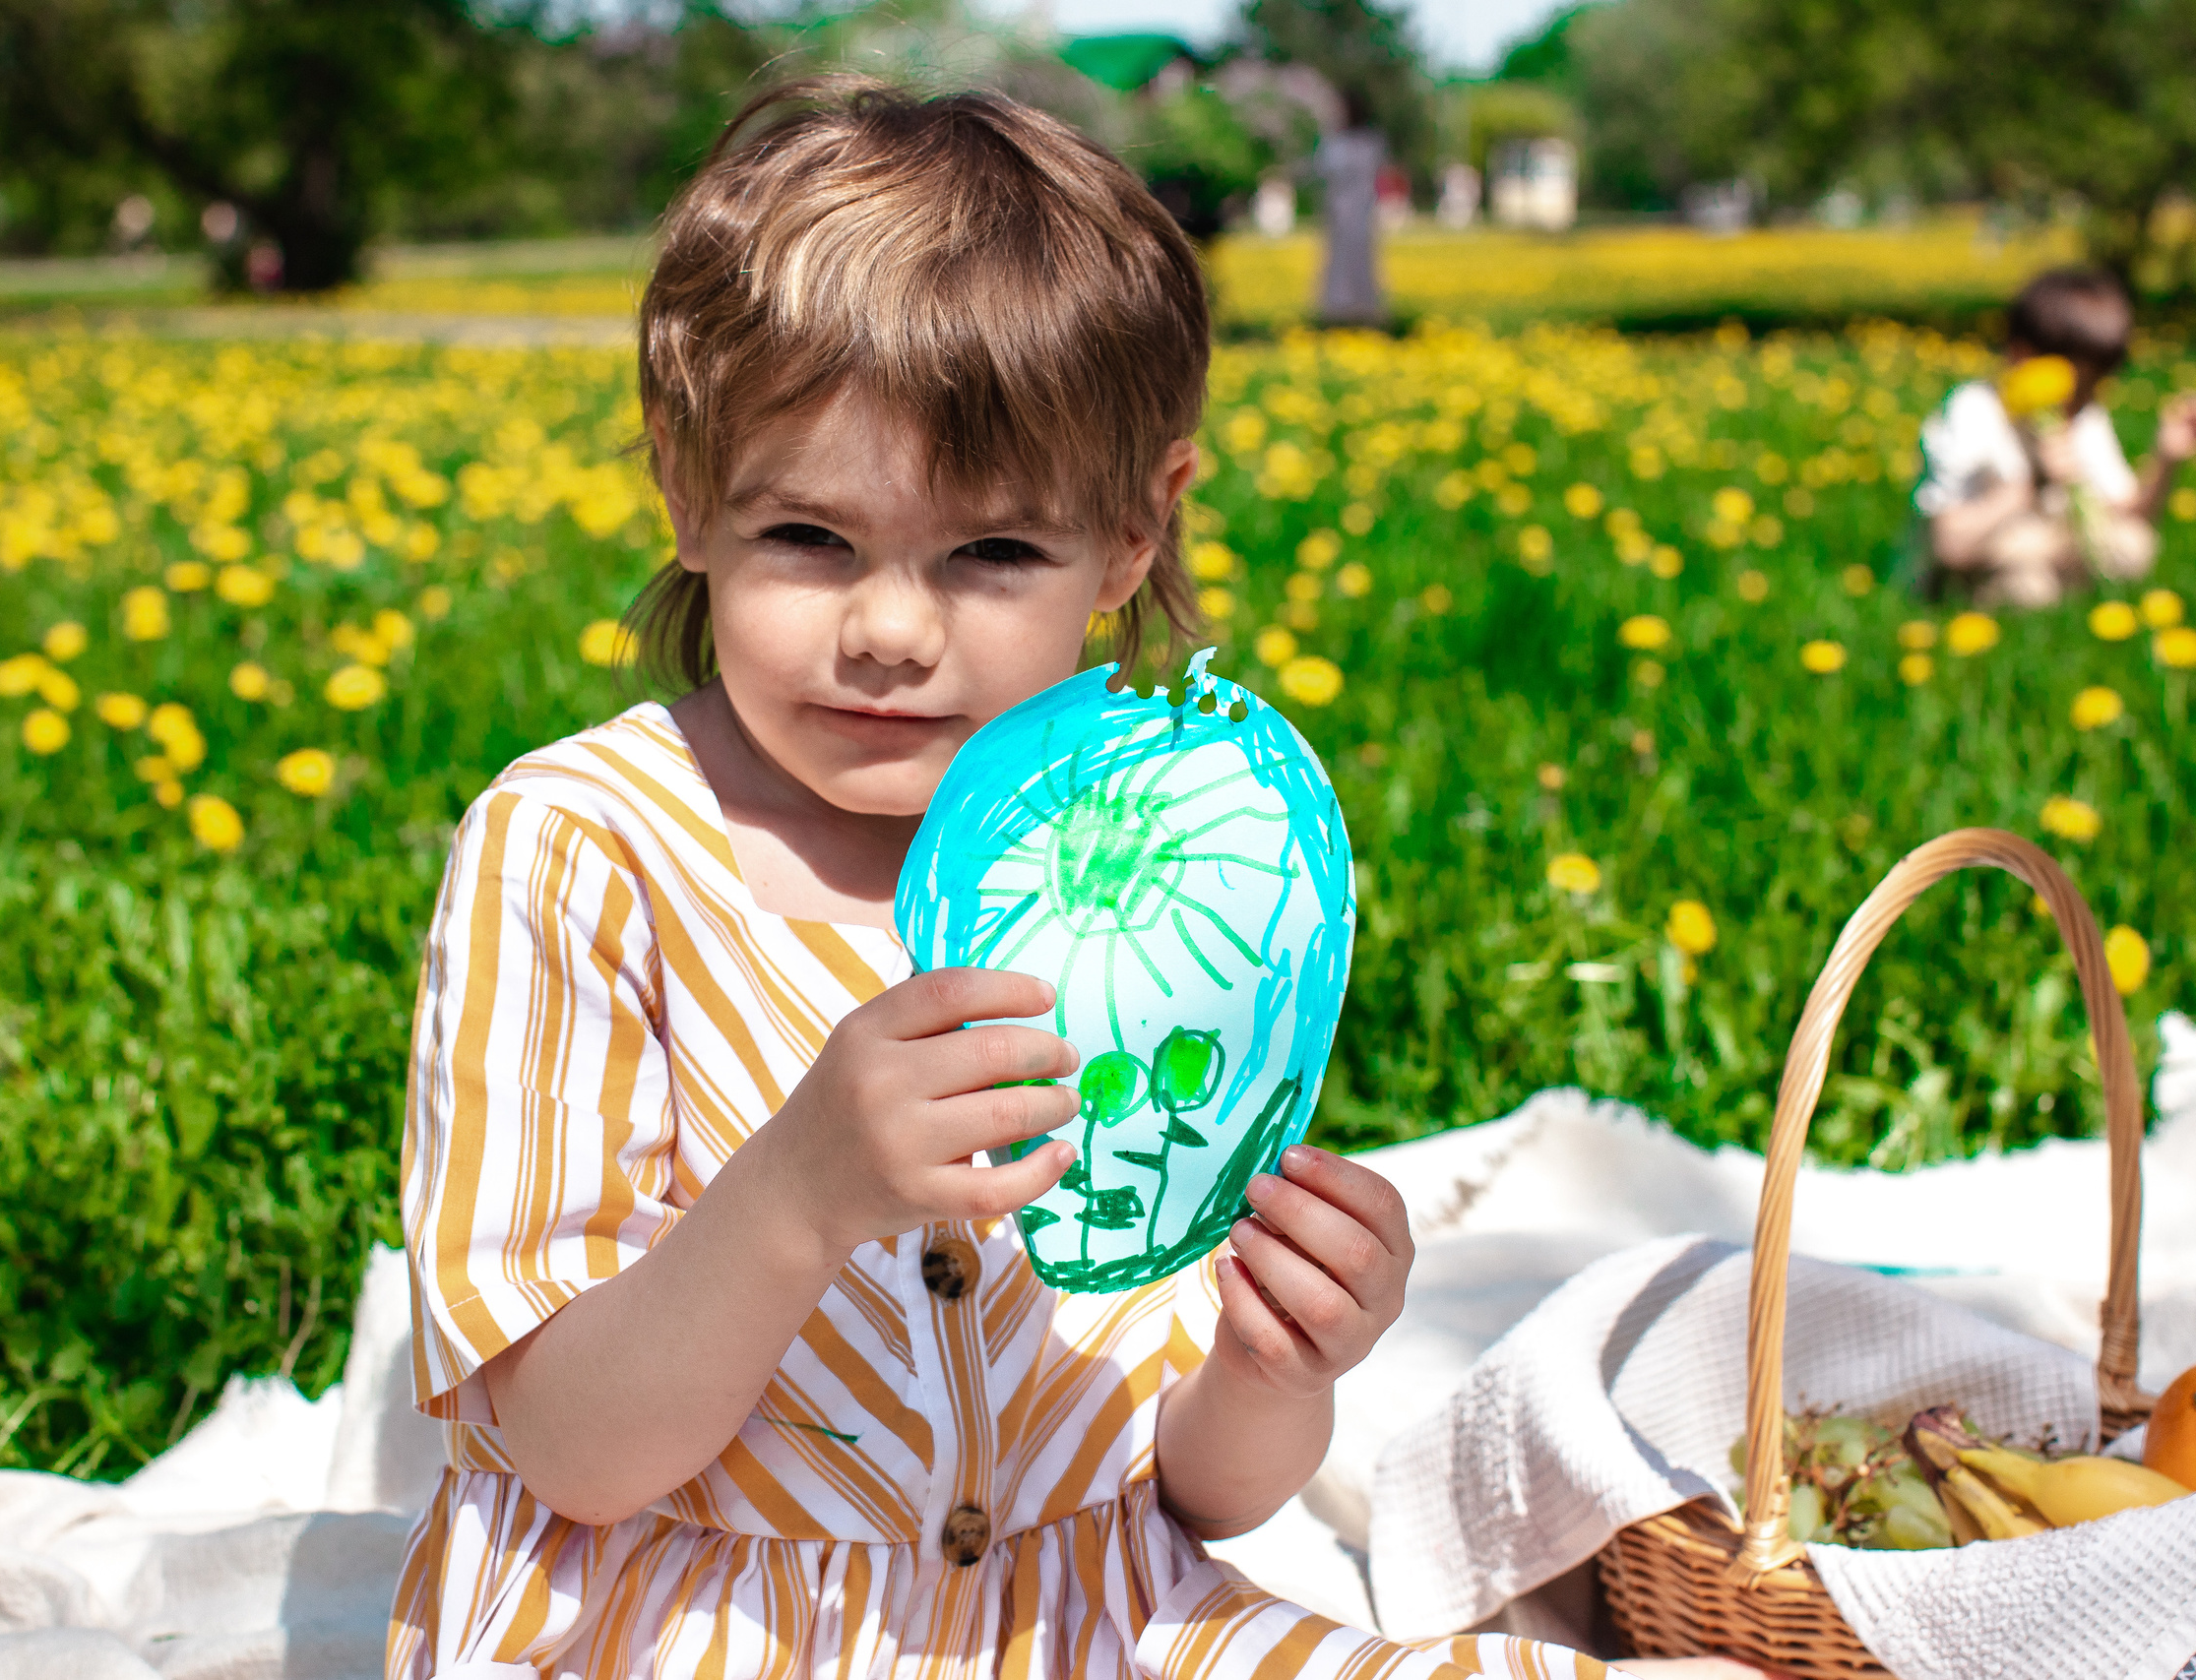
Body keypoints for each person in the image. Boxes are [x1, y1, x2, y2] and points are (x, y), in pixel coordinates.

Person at [387, 77, 1776, 1680]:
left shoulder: (1162, 869)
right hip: (698, 1628)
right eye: (810, 539)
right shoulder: (588, 848)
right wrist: (793, 1197)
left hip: (1086, 1618)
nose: (892, 629)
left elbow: (1197, 1491)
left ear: (1131, 535)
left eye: (990, 555)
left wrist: (1276, 1362)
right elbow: (565, 1446)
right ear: (689, 485)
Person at [1914, 267, 2196, 608]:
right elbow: (1949, 546)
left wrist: (2167, 456)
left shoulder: (2083, 413)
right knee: (2030, 589)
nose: (2087, 400)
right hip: (1971, 565)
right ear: (2022, 357)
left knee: (2134, 546)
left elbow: (2129, 514)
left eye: (2096, 385)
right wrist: (2036, 482)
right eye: (2081, 385)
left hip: (2046, 547)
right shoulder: (1972, 411)